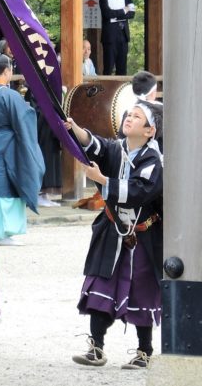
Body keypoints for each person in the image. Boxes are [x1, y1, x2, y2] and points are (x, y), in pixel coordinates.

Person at [66, 99, 163, 370]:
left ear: (149, 131)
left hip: (142, 234)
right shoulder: (116, 148)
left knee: (141, 292)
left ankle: (144, 351)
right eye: (128, 114)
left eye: (136, 117)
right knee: (100, 285)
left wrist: (103, 181)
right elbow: (94, 144)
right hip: (111, 229)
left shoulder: (154, 160)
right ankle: (96, 347)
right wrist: (74, 128)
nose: (128, 119)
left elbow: (140, 191)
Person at [0, 53, 45, 246]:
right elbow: (24, 120)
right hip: (6, 149)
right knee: (4, 188)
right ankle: (1, 232)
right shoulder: (10, 95)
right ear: (7, 71)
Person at [99, 0, 135, 75]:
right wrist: (124, 10)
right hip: (110, 36)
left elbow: (132, 13)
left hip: (123, 35)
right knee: (108, 68)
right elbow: (107, 13)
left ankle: (121, 91)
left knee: (122, 69)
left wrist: (115, 14)